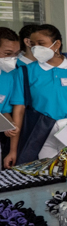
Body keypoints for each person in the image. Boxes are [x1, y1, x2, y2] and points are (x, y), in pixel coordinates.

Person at [5, 24, 67, 166]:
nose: (36, 48)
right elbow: (19, 110)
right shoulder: (25, 72)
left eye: (41, 44)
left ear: (57, 44)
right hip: (39, 131)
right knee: (44, 176)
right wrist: (13, 150)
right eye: (33, 44)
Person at [0, 28, 20, 169]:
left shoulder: (8, 76)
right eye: (7, 54)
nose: (11, 59)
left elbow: (5, 109)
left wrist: (9, 125)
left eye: (16, 54)